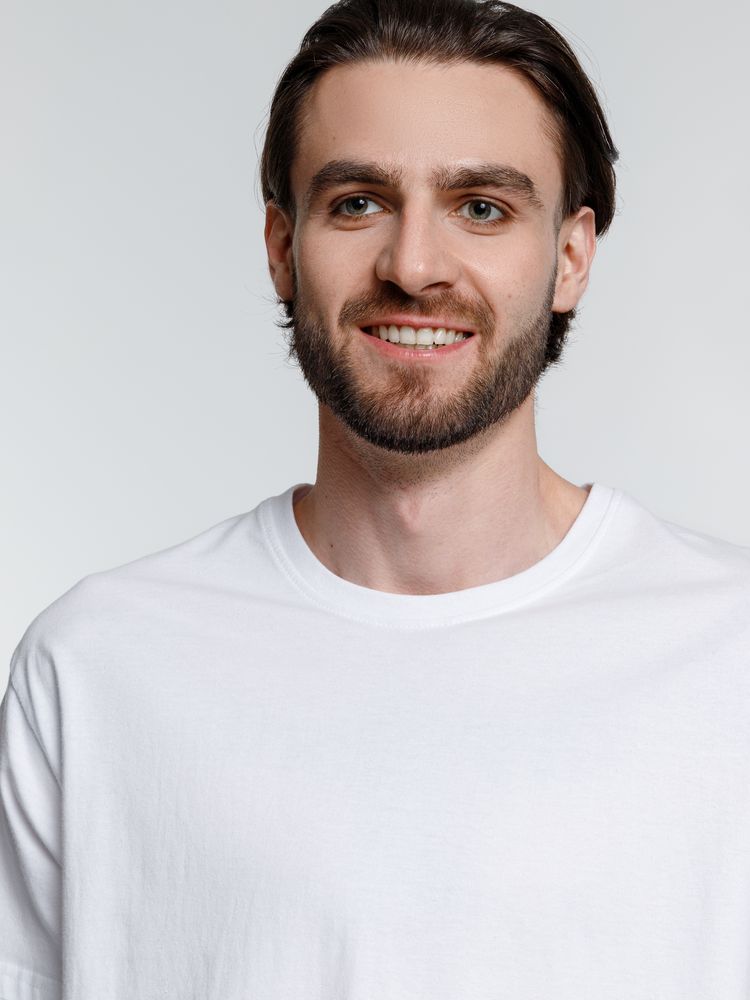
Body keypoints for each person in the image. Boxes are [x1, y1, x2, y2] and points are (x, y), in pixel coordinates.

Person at [2, 0, 749, 996]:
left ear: (570, 257)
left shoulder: (730, 656)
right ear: (282, 247)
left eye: (482, 207)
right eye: (358, 202)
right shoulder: (96, 669)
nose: (413, 266)